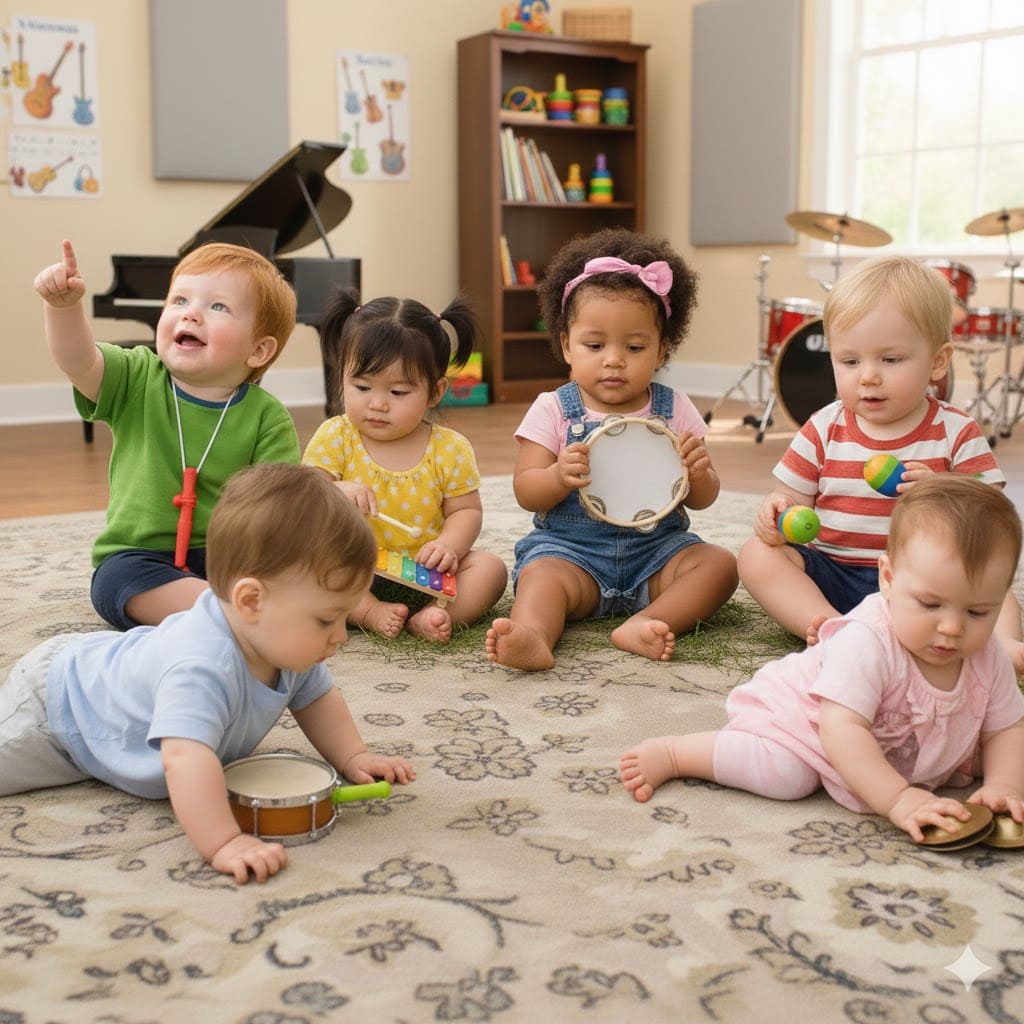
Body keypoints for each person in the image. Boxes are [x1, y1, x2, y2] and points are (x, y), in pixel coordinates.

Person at [0, 462, 415, 883]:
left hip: (111, 669)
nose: (341, 636)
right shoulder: (200, 665)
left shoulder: (285, 644)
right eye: (327, 620)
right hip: (58, 709)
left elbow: (318, 698)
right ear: (251, 602)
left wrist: (354, 756)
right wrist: (223, 841)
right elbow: (184, 756)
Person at [621, 476, 1024, 842]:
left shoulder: (986, 654)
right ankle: (677, 753)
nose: (952, 628)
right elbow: (842, 731)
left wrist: (1005, 785)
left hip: (892, 735)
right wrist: (899, 799)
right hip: (805, 720)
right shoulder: (867, 642)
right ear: (888, 579)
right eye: (931, 604)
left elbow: (1006, 727)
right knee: (788, 775)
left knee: (983, 751)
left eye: (977, 612)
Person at [736, 254, 1024, 668]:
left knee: (997, 592)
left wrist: (944, 491)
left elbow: (993, 517)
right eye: (850, 361)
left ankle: (1004, 649)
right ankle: (830, 626)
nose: (868, 376)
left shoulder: (955, 431)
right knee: (756, 555)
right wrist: (776, 515)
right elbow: (790, 500)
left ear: (938, 362)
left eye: (890, 360)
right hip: (833, 574)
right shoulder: (823, 427)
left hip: (927, 585)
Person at [485, 227, 738, 671]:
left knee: (719, 565)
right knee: (540, 577)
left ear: (662, 350)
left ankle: (649, 620)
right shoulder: (554, 409)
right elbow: (526, 489)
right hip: (572, 554)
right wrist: (557, 476)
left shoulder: (674, 408)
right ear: (566, 345)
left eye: (635, 346)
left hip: (656, 553)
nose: (614, 359)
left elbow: (702, 497)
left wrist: (700, 474)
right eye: (595, 345)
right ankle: (534, 637)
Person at [33, 240, 301, 631]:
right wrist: (62, 308)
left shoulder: (268, 417)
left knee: (281, 570)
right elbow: (79, 360)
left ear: (259, 350)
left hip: (224, 560)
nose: (191, 314)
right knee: (113, 581)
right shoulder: (136, 377)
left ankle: (222, 613)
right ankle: (226, 616)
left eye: (218, 307)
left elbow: (279, 508)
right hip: (140, 556)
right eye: (179, 301)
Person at [302, 288, 508, 642]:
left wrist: (449, 546)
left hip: (426, 574)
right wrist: (337, 490)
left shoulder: (449, 448)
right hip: (354, 569)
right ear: (342, 379)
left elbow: (466, 512)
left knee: (491, 569)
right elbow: (303, 493)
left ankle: (435, 616)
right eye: (362, 386)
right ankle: (368, 612)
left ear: (434, 392)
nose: (378, 404)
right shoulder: (336, 435)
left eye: (397, 393)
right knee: (308, 566)